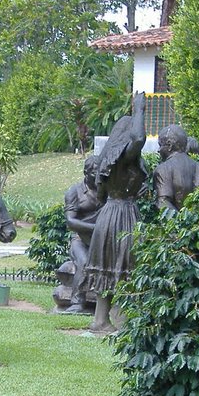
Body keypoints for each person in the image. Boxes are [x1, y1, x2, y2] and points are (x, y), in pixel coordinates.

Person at [85, 92, 149, 332]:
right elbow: (139, 139)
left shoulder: (108, 161)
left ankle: (101, 320)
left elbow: (100, 195)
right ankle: (122, 320)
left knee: (110, 264)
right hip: (124, 214)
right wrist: (140, 110)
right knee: (127, 264)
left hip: (109, 214)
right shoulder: (123, 157)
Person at [63, 156, 104, 314]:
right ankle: (76, 302)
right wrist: (96, 228)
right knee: (84, 261)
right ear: (86, 173)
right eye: (95, 173)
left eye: (101, 173)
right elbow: (70, 222)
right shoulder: (74, 192)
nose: (99, 177)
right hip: (80, 240)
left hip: (102, 240)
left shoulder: (105, 189)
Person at [153, 124, 199, 215]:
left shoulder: (163, 169)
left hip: (176, 227)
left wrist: (182, 223)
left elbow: (163, 203)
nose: (158, 150)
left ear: (169, 145)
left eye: (160, 145)